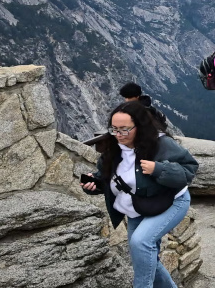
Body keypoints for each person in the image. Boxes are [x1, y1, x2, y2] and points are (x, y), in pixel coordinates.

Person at [80, 101, 198, 288]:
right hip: (139, 206)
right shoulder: (113, 147)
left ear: (140, 126)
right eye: (114, 129)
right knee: (145, 258)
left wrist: (158, 169)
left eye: (124, 129)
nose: (119, 135)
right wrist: (93, 184)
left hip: (171, 201)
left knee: (140, 243)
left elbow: (189, 170)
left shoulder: (161, 144)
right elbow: (108, 178)